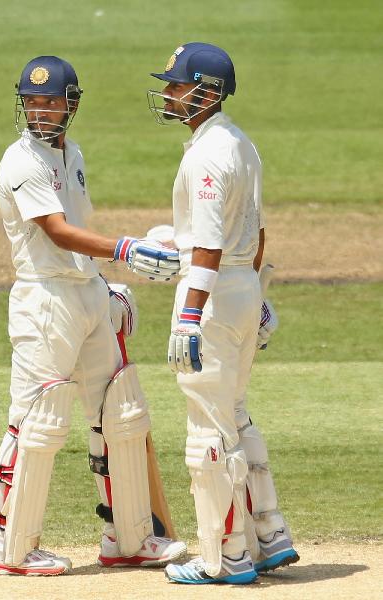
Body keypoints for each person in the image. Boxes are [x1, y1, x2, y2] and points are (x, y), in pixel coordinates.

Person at [0, 55, 186, 576]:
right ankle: (9, 547)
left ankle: (128, 538)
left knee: (121, 411)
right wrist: (124, 249)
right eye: (31, 101)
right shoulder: (21, 161)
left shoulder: (72, 153)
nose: (40, 111)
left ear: (71, 105)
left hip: (86, 292)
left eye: (50, 102)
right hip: (44, 299)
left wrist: (103, 282)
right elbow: (57, 231)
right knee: (38, 420)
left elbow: (78, 228)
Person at [146, 42, 299, 585]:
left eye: (176, 84)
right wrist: (254, 296)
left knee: (207, 431)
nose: (168, 93)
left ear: (205, 92)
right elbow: (255, 231)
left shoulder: (208, 155)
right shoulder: (239, 141)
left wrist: (191, 315)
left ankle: (225, 557)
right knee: (233, 413)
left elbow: (209, 246)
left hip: (210, 295)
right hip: (240, 288)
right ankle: (269, 534)